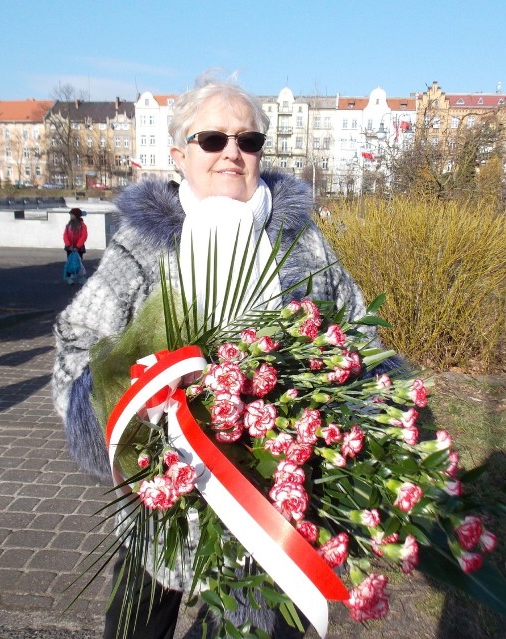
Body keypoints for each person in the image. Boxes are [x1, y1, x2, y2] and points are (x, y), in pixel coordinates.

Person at [51, 73, 400, 639]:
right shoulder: (143, 241)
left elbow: (362, 338)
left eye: (248, 140)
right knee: (134, 630)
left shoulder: (301, 241)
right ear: (178, 155)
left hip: (271, 510)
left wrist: (361, 430)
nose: (231, 153)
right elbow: (77, 342)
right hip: (159, 501)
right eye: (213, 140)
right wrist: (117, 433)